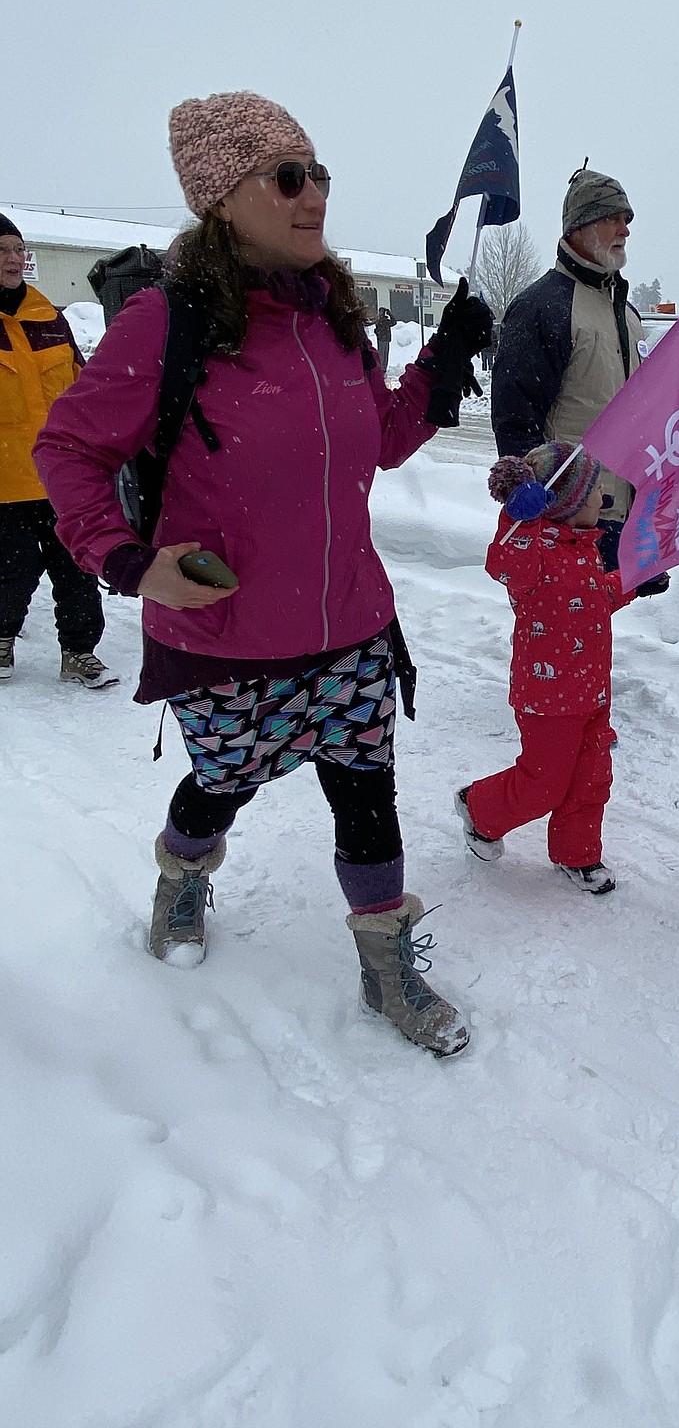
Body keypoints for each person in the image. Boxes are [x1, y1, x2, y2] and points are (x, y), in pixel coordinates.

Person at [34, 90, 491, 1058]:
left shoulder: (335, 320)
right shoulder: (168, 323)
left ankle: (384, 964)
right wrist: (123, 560)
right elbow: (66, 450)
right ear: (222, 200)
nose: (313, 194)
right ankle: (183, 874)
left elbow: (381, 440)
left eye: (318, 172)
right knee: (221, 784)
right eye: (287, 177)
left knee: (366, 793)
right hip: (226, 634)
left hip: (352, 625)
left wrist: (440, 368)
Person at [454, 442, 635, 894]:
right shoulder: (532, 557)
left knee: (591, 779)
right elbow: (503, 562)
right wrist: (519, 519)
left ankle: (578, 855)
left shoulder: (584, 548)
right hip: (548, 697)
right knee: (544, 784)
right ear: (567, 504)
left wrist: (632, 582)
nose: (603, 499)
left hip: (592, 692)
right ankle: (479, 809)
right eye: (595, 492)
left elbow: (592, 603)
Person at [490, 165, 649, 575]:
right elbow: (515, 416)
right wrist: (526, 493)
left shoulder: (627, 313)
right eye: (612, 218)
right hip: (567, 519)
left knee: (597, 631)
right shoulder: (541, 307)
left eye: (626, 219)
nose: (625, 229)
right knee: (558, 633)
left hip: (619, 512)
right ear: (580, 226)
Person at [0, 214, 118, 688]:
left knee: (78, 570)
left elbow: (80, 386)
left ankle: (79, 651)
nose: (13, 259)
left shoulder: (48, 318)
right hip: (5, 479)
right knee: (10, 573)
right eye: (1, 251)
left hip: (60, 476)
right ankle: (2, 641)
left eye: (17, 249)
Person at [374, 306, 395, 374]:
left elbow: (394, 322)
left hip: (386, 339)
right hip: (381, 339)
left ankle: (383, 368)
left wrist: (390, 314)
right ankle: (381, 368)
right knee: (381, 355)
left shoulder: (386, 321)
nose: (380, 313)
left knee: (385, 354)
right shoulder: (379, 321)